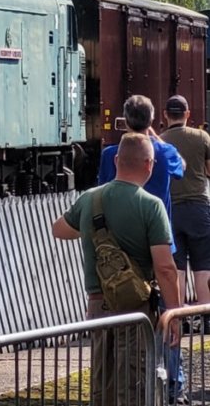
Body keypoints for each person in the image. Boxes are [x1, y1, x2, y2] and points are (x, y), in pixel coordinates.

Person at [53, 132, 181, 406]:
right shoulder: (151, 206)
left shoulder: (90, 200)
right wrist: (174, 314)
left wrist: (90, 228)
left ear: (115, 159)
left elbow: (59, 229)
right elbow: (166, 268)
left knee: (102, 383)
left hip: (98, 309)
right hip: (136, 310)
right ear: (149, 165)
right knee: (134, 385)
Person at [98, 95, 184, 246]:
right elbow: (182, 166)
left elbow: (102, 191)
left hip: (120, 238)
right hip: (158, 237)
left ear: (126, 120)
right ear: (151, 120)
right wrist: (156, 137)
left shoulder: (109, 154)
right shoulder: (165, 152)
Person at [162, 95, 210, 311]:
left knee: (177, 268)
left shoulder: (160, 141)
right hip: (199, 209)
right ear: (188, 114)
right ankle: (207, 318)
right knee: (203, 266)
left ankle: (177, 319)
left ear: (165, 115)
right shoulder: (202, 137)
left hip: (171, 212)